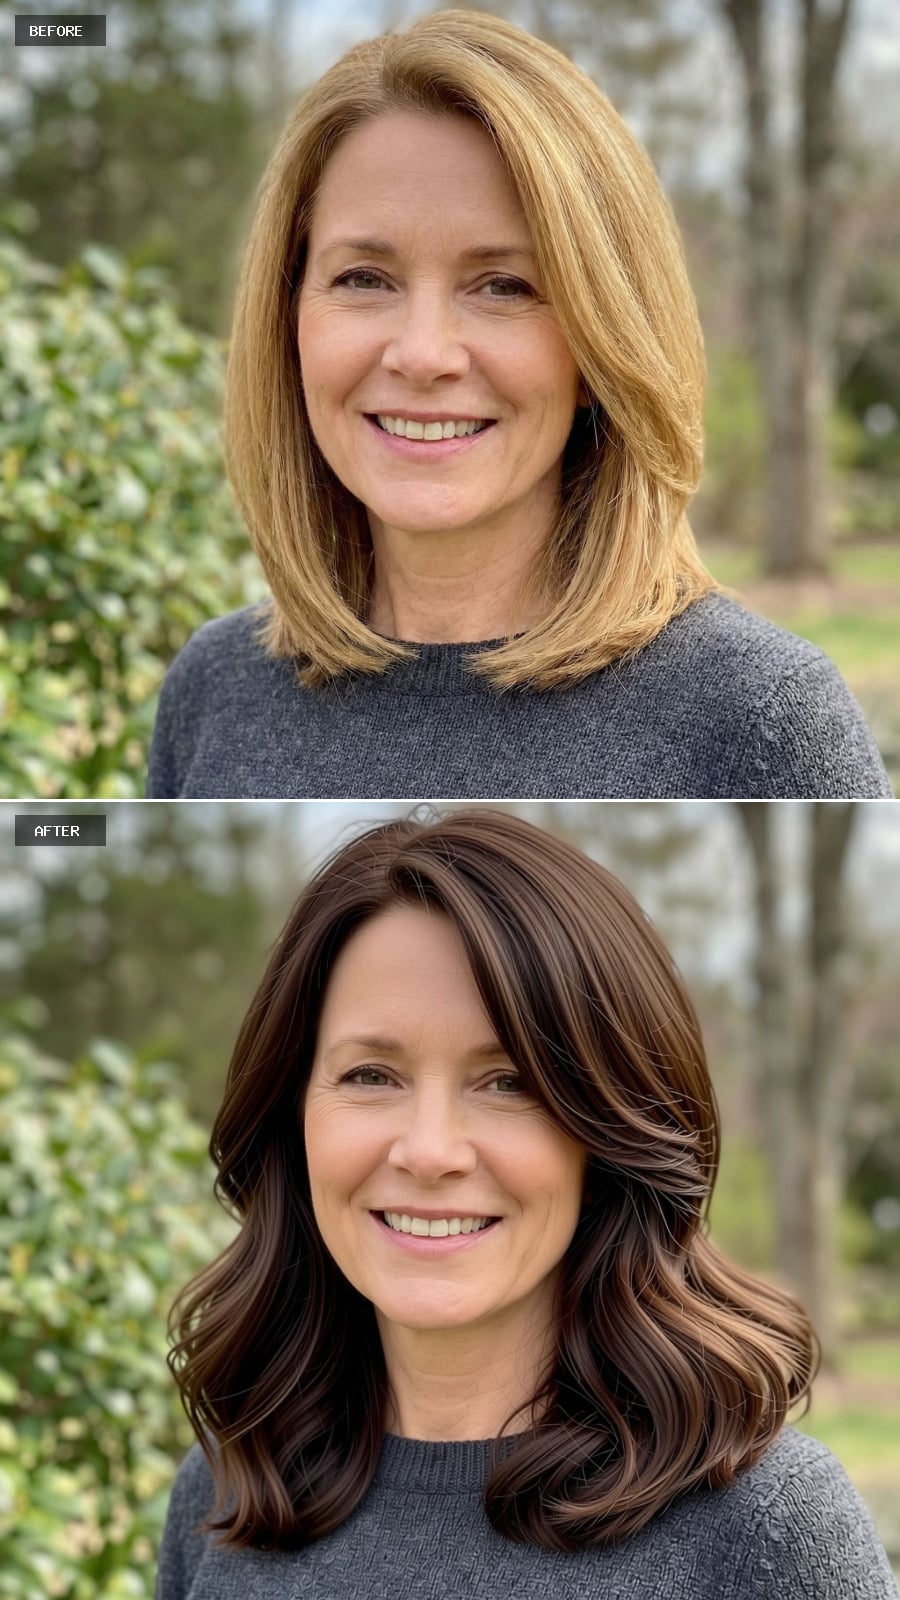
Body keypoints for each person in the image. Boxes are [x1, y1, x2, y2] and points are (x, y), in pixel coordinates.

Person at [144, 11, 891, 800]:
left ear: (602, 344)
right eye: (365, 278)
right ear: (287, 315)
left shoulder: (759, 715)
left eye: (504, 286)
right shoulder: (215, 689)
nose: (423, 354)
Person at [155, 809, 897, 1599]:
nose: (430, 1151)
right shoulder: (226, 1494)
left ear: (607, 1134)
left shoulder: (764, 1523)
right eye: (371, 1076)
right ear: (290, 1114)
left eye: (509, 1083)